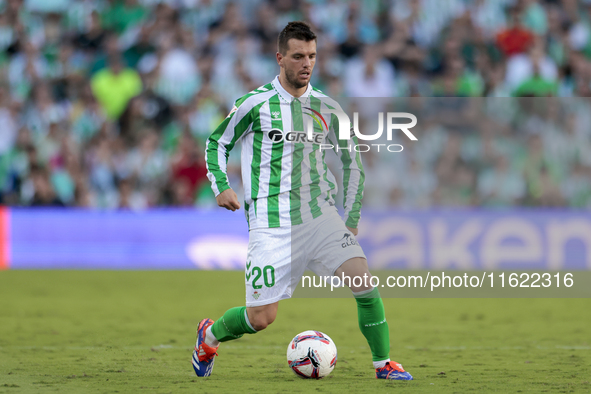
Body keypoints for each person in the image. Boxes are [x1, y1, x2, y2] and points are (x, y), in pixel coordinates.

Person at [194, 21, 413, 381]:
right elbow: (217, 142)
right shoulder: (255, 103)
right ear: (280, 58)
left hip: (320, 215)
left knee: (364, 282)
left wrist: (352, 214)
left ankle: (383, 364)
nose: (306, 63)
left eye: (312, 56)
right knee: (261, 318)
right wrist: (221, 185)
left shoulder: (327, 106)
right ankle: (209, 336)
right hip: (270, 222)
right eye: (298, 56)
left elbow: (352, 160)